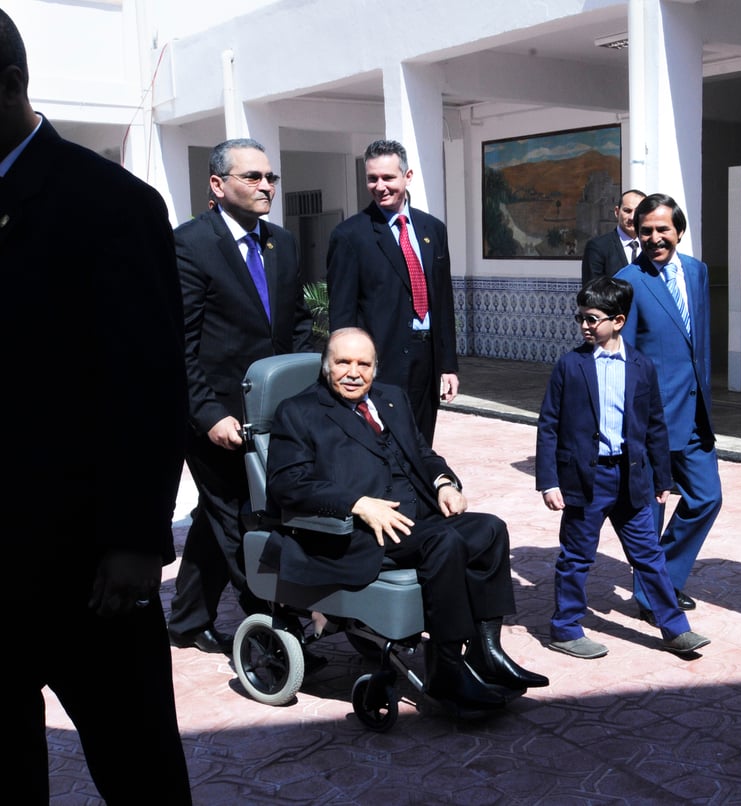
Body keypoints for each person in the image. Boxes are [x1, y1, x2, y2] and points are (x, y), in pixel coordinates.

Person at [1, 10, 192, 802]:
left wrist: (135, 540)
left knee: (137, 764)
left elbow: (148, 380)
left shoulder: (109, 202)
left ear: (9, 86)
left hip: (86, 564)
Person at [265, 327, 548, 713]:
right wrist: (357, 503)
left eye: (363, 364)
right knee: (444, 543)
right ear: (325, 365)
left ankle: (486, 651)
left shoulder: (390, 399)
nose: (353, 372)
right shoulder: (299, 412)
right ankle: (446, 667)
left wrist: (444, 482)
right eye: (343, 362)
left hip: (417, 518)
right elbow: (287, 484)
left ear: (375, 368)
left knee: (489, 530)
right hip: (359, 531)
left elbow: (422, 453)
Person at [166, 138, 314, 655]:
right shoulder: (189, 244)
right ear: (218, 184)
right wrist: (207, 414)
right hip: (215, 416)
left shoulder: (282, 243)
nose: (266, 186)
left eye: (270, 177)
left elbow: (294, 328)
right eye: (252, 177)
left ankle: (185, 621)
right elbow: (178, 344)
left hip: (272, 413)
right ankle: (275, 631)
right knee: (239, 517)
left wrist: (303, 399)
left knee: (216, 515)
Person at [536, 276, 711, 659]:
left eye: (592, 318)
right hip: (586, 478)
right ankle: (565, 628)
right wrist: (549, 481)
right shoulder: (570, 365)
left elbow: (654, 425)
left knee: (648, 554)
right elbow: (549, 424)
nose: (584, 325)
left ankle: (675, 628)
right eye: (580, 317)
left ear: (618, 321)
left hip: (631, 478)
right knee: (577, 555)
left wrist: (662, 477)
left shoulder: (641, 366)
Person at [615, 193, 723, 623]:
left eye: (663, 229)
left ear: (679, 230)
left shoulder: (697, 272)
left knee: (707, 498)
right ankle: (654, 594)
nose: (655, 238)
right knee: (651, 510)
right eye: (646, 231)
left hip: (696, 413)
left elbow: (699, 342)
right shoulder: (628, 280)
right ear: (635, 233)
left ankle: (663, 577)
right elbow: (623, 355)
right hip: (651, 420)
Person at [327, 139, 458, 444]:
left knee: (422, 442)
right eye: (372, 178)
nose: (380, 186)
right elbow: (342, 313)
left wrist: (449, 365)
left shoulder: (432, 230)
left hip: (427, 360)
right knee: (385, 444)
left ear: (407, 177)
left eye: (388, 178)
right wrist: (349, 368)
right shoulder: (350, 235)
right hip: (382, 360)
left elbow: (443, 302)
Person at [581, 188, 646, 284]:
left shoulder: (651, 246)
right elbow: (592, 292)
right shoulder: (598, 247)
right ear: (617, 212)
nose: (632, 217)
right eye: (627, 211)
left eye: (638, 212)